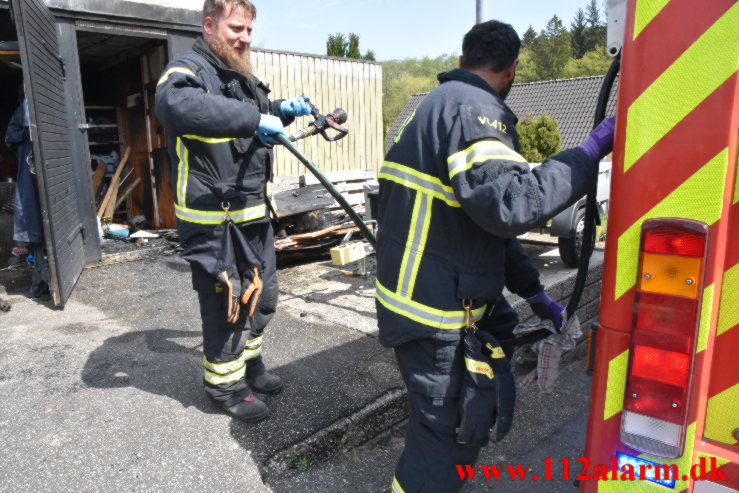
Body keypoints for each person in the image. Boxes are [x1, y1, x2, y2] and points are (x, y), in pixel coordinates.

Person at [375, 20, 615, 492]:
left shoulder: (440, 104)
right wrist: (586, 155)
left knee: (451, 425)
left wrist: (534, 294)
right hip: (435, 316)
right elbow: (511, 206)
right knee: (446, 437)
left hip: (426, 303)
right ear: (513, 71)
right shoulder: (474, 111)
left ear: (462, 61)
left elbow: (483, 231)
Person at [155, 0, 312, 423]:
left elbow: (254, 120)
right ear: (209, 25)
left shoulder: (240, 76)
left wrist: (280, 110)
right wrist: (253, 117)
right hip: (214, 217)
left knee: (264, 297)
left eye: (248, 31)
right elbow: (175, 106)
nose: (244, 38)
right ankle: (224, 384)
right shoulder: (187, 69)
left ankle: (249, 364)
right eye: (235, 28)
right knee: (228, 304)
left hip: (252, 211)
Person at [5, 87, 49, 298]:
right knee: (35, 230)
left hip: (50, 180)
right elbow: (10, 138)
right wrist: (28, 133)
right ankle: (41, 280)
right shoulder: (20, 120)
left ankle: (52, 280)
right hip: (30, 180)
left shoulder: (50, 113)